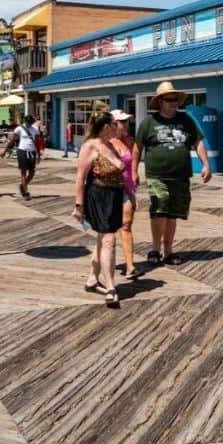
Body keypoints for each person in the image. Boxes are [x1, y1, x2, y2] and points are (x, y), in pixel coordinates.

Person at [132, 80, 212, 267]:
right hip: (157, 176)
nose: (173, 103)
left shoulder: (186, 120)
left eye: (175, 99)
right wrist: (133, 171)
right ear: (160, 102)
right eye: (169, 99)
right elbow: (137, 148)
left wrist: (206, 165)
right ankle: (154, 249)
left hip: (181, 176)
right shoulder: (148, 123)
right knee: (159, 210)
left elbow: (198, 142)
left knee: (172, 214)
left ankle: (168, 251)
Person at [73, 110, 126, 307]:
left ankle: (92, 279)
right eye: (114, 124)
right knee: (109, 241)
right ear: (105, 127)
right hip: (98, 197)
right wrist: (79, 206)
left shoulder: (110, 145)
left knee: (102, 240)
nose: (118, 127)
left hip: (114, 197)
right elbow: (80, 178)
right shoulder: (90, 146)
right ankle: (111, 287)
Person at [109, 108, 141, 282]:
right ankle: (102, 266)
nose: (126, 124)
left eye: (126, 121)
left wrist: (135, 174)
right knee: (108, 231)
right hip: (110, 190)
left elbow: (133, 159)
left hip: (127, 189)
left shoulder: (129, 140)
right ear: (113, 124)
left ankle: (130, 266)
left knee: (126, 225)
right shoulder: (106, 143)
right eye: (122, 122)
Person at [0, 113, 41, 199]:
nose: (28, 124)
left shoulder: (35, 129)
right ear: (25, 121)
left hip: (32, 152)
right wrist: (5, 151)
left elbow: (37, 142)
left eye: (30, 122)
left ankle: (23, 185)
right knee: (23, 172)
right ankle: (25, 192)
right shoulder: (19, 128)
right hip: (22, 151)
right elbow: (12, 140)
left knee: (32, 173)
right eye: (27, 122)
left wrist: (38, 155)